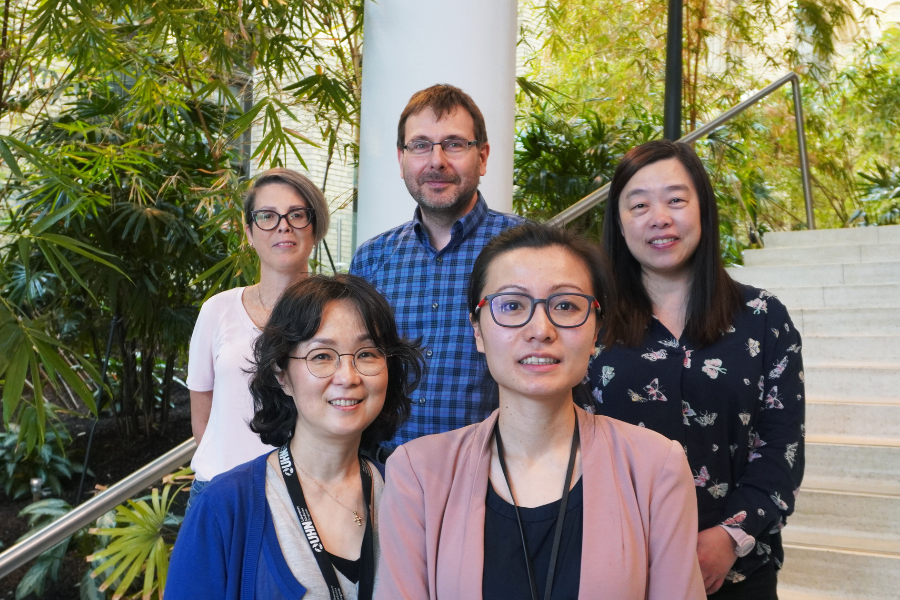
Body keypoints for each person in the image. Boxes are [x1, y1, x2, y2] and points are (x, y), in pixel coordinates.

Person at [375, 223, 705, 600]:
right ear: (478, 331)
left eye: (565, 305)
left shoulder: (655, 466)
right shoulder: (417, 473)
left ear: (596, 328)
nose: (540, 329)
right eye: (512, 305)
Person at [587, 140, 805, 599]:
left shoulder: (763, 317)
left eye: (676, 200)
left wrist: (728, 538)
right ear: (620, 222)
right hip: (615, 567)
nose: (658, 217)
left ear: (702, 209)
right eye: (639, 204)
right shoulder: (589, 320)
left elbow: (781, 445)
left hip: (737, 572)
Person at [167, 275, 424, 600]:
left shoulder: (411, 500)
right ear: (282, 375)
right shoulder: (224, 509)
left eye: (367, 354)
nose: (348, 376)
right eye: (321, 356)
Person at [351, 84, 523, 454]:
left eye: (455, 144)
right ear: (401, 159)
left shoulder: (526, 249)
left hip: (493, 475)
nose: (437, 160)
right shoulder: (371, 260)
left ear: (483, 156)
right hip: (386, 477)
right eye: (421, 145)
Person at [186, 168, 330, 506]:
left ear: (315, 229)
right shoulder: (217, 310)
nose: (283, 225)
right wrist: (223, 477)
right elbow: (201, 414)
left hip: (301, 496)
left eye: (297, 215)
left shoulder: (334, 316)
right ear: (249, 232)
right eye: (267, 216)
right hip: (217, 491)